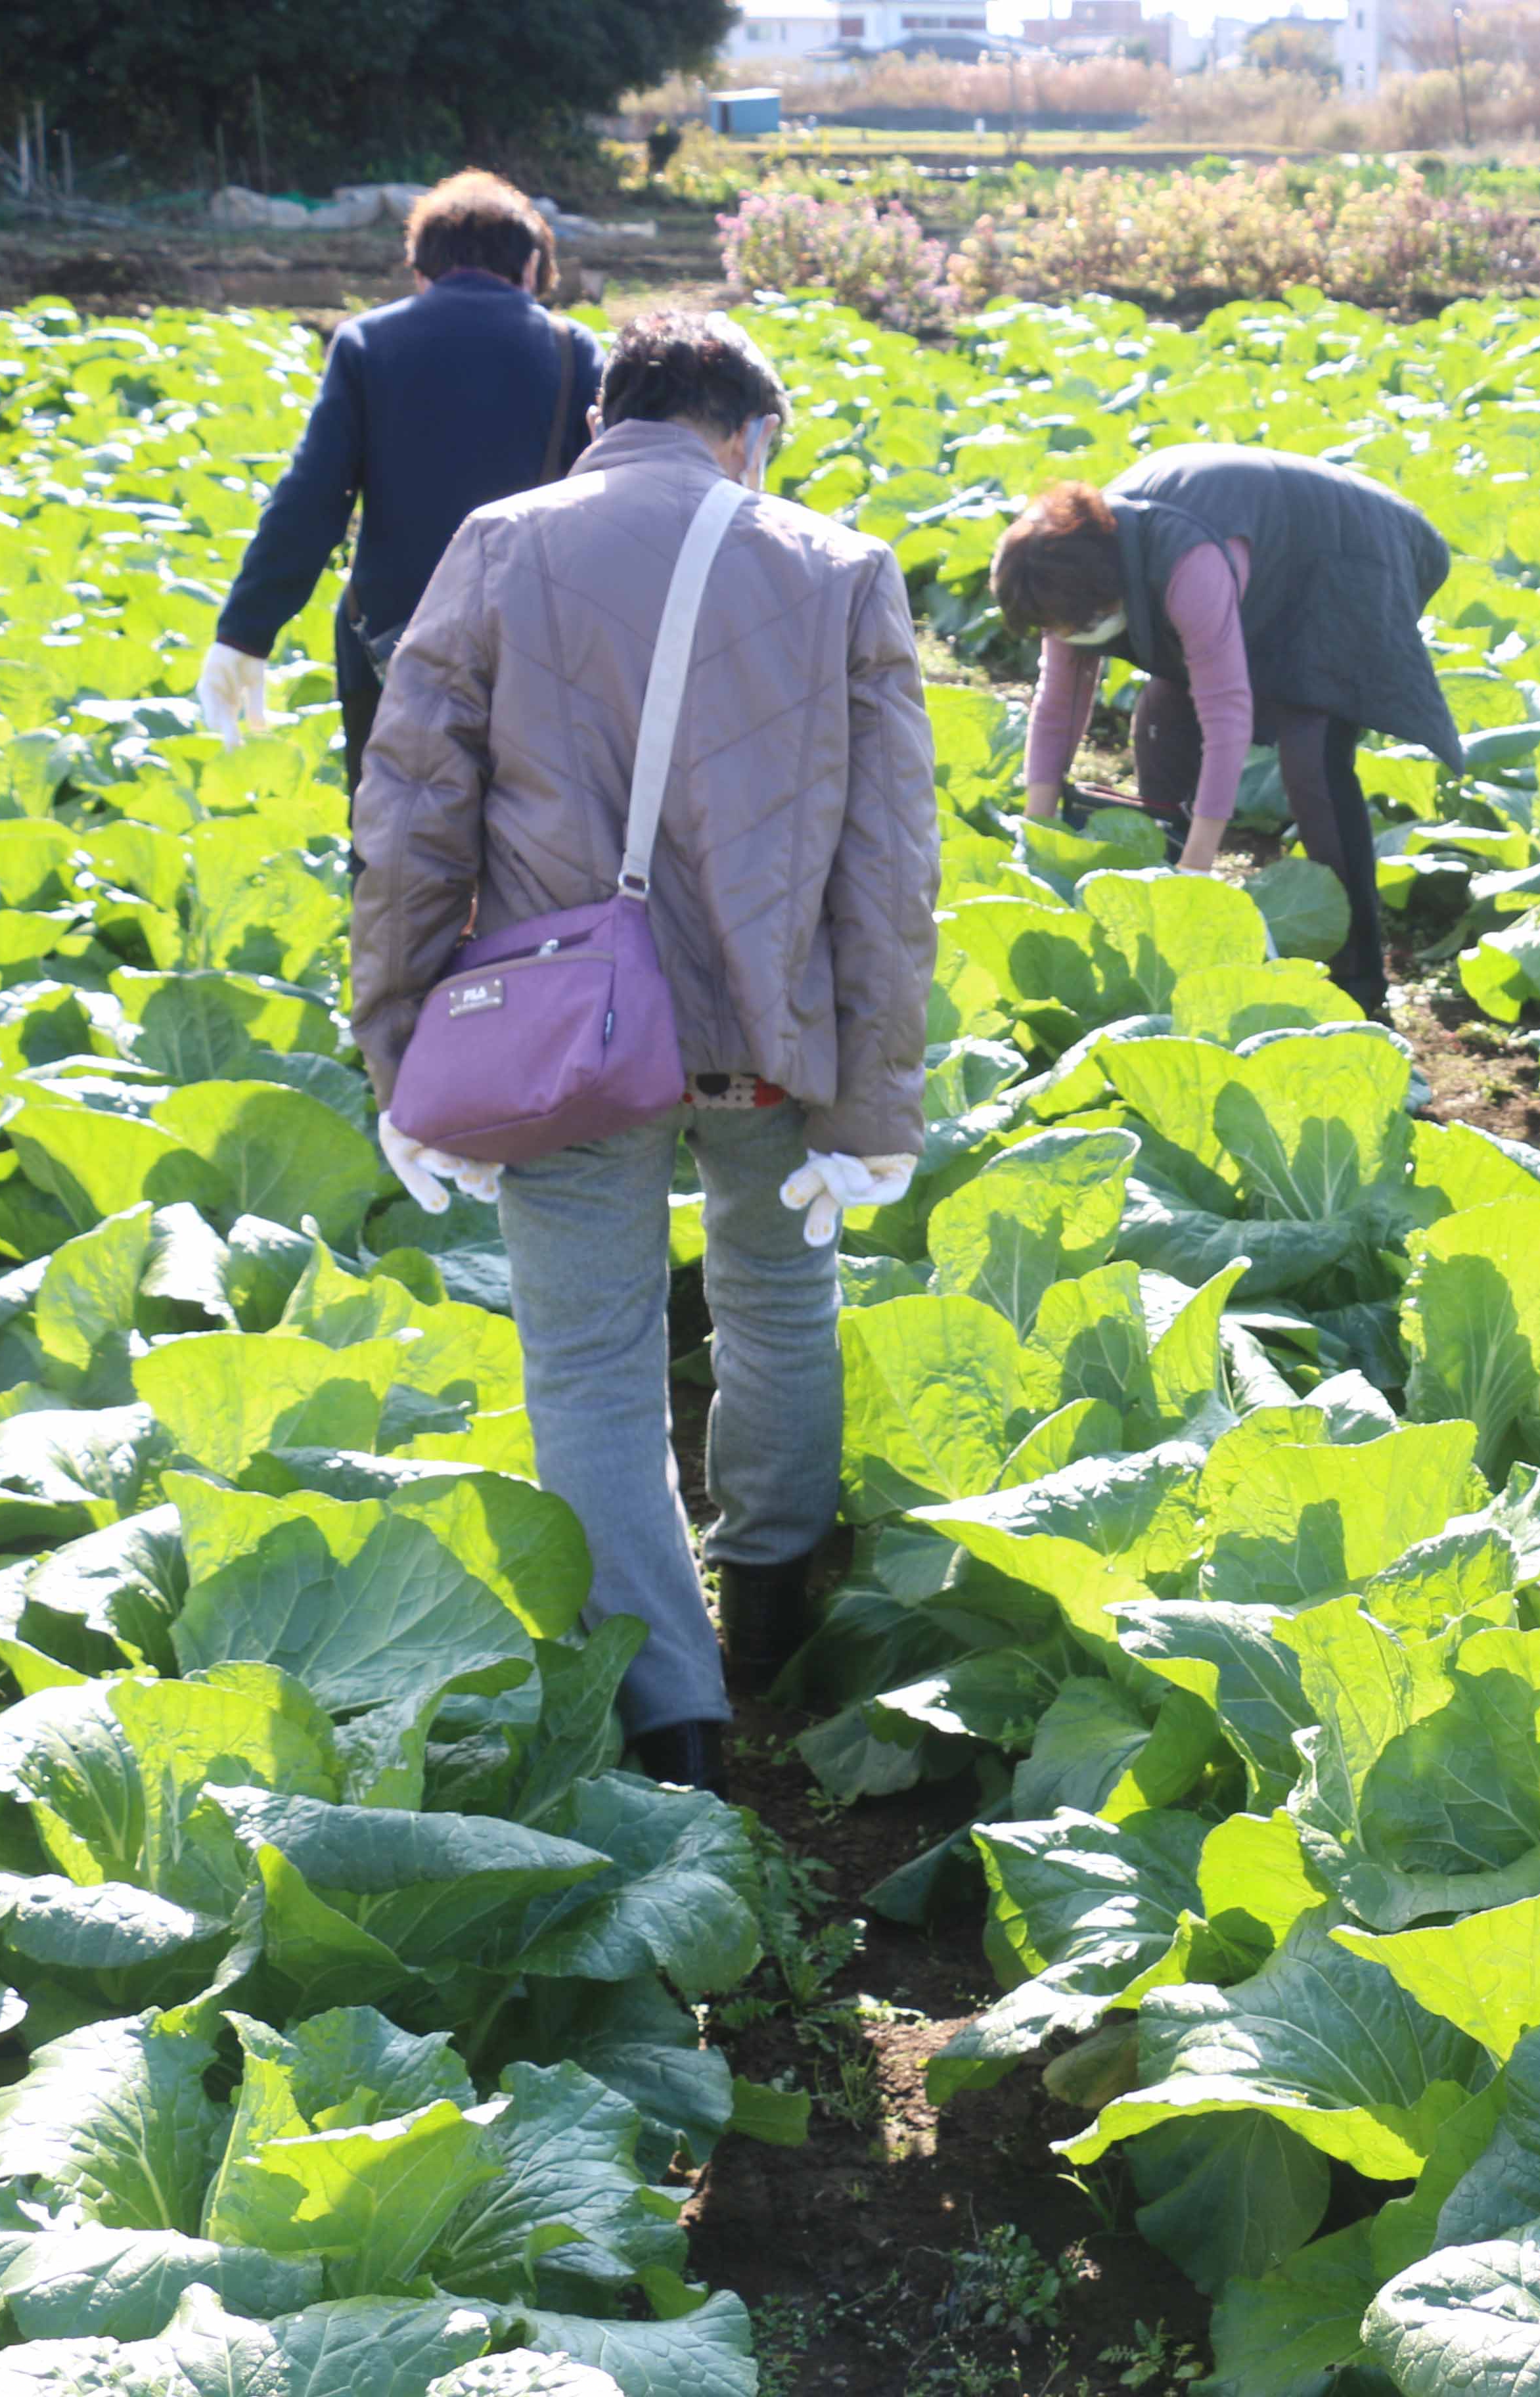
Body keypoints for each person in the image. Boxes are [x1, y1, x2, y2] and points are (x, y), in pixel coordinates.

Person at [348, 312, 937, 1796]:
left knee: (595, 1366)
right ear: (743, 435)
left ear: (606, 415)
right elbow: (885, 865)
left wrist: (401, 1049)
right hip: (763, 1024)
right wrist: (873, 1100)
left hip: (565, 1039)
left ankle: (671, 1723)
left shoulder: (497, 544)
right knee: (777, 1297)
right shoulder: (839, 566)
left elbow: (409, 810)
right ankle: (772, 1609)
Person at [993, 446, 1462, 1017]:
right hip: (1258, 548)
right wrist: (1037, 837)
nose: (1070, 635)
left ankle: (1360, 981)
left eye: (1078, 625)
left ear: (1106, 592)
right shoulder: (1063, 576)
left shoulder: (1186, 564)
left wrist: (1198, 869)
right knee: (1164, 711)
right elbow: (1058, 703)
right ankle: (1161, 880)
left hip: (1349, 555)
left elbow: (1226, 713)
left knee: (1312, 755)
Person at [197, 171, 604, 787]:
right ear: (530, 267)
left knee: (393, 847)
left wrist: (244, 633)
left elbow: (312, 501)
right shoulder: (574, 350)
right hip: (533, 650)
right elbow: (612, 504)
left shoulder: (369, 342)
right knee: (529, 850)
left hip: (391, 645)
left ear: (419, 270)